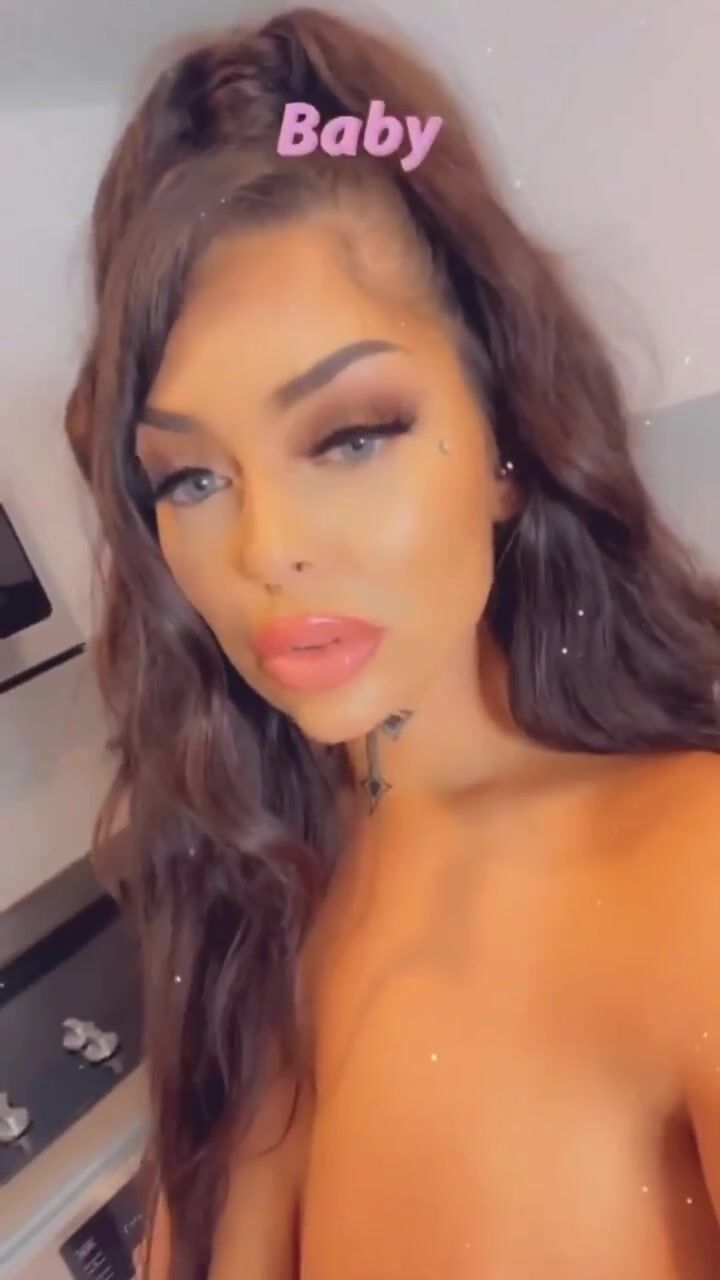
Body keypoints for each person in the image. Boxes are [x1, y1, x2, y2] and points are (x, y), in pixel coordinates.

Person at [64, 7, 720, 1278]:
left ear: (509, 438)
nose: (266, 548)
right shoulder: (246, 893)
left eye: (350, 435)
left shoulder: (694, 875)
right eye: (191, 477)